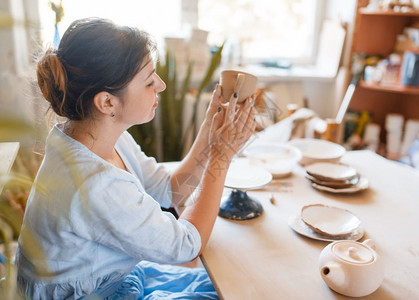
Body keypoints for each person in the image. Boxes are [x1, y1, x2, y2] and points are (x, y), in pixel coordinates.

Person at [16, 17, 256, 299]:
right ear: (107, 102)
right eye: (148, 81)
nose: (162, 85)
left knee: (230, 286)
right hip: (88, 294)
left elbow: (171, 190)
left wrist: (209, 130)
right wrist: (220, 158)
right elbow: (188, 246)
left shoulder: (96, 135)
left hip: (109, 277)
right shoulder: (94, 184)